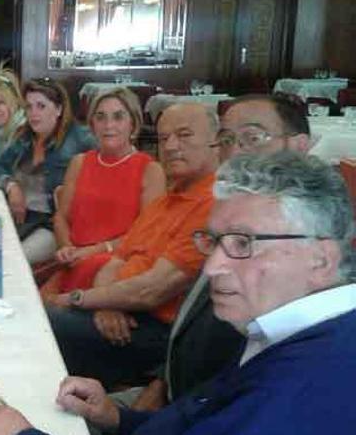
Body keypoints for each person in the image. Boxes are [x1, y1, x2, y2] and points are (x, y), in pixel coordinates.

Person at [0, 152, 356, 435]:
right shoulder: (287, 329)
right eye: (215, 241)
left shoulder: (308, 388)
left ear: (321, 258)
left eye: (243, 243)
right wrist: (118, 416)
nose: (212, 268)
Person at [132, 93, 314, 410]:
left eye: (253, 137)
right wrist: (160, 384)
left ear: (299, 146)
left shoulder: (299, 251)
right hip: (174, 396)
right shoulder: (228, 218)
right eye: (228, 139)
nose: (236, 151)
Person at [43, 103, 218, 389]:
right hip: (120, 308)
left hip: (156, 330)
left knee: (43, 322)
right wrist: (106, 303)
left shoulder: (213, 204)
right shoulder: (167, 199)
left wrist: (80, 299)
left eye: (184, 135)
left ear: (216, 142)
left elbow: (153, 289)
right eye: (163, 139)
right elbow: (116, 261)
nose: (172, 146)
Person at [40, 87, 165, 296]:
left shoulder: (150, 170)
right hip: (72, 262)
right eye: (101, 117)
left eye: (118, 117)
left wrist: (94, 251)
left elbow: (146, 235)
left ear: (133, 124)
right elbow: (61, 217)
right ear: (92, 125)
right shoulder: (79, 163)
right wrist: (66, 247)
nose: (109, 125)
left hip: (115, 267)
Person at [0, 77, 96, 264]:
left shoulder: (80, 137)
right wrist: (11, 186)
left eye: (41, 106)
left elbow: (111, 167)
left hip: (51, 225)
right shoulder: (25, 137)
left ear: (58, 109)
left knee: (12, 261)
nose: (33, 113)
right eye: (29, 107)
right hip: (20, 218)